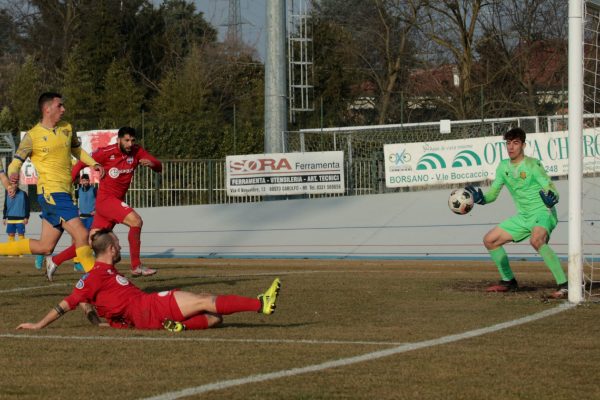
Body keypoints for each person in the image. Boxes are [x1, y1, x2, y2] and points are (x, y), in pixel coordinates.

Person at [16, 229, 281, 331]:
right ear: (110, 250)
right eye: (118, 245)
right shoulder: (95, 275)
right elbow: (69, 302)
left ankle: (177, 327)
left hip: (144, 315)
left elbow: (83, 300)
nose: (121, 249)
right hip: (147, 307)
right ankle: (261, 304)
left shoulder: (103, 275)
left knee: (214, 319)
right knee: (204, 299)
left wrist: (98, 321)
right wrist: (39, 324)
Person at [0, 92, 104, 279]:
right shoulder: (32, 136)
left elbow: (77, 150)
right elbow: (16, 162)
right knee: (82, 234)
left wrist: (93, 163)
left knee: (45, 246)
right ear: (47, 109)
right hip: (51, 193)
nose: (63, 109)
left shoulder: (67, 128)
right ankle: (98, 281)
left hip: (64, 193)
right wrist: (13, 173)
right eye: (59, 106)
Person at [466, 127, 567, 299]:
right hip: (523, 217)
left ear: (523, 145)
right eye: (508, 143)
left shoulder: (532, 165)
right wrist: (481, 198)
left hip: (543, 212)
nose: (511, 147)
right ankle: (509, 281)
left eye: (515, 143)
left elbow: (550, 188)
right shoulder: (503, 166)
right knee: (490, 240)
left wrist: (553, 198)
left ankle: (565, 285)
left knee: (535, 240)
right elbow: (493, 194)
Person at [55, 126, 162, 277]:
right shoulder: (106, 152)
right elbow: (80, 163)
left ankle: (54, 261)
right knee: (136, 221)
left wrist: (152, 164)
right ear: (118, 140)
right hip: (106, 201)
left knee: (92, 241)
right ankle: (136, 266)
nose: (130, 144)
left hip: (113, 203)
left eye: (132, 140)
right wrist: (67, 185)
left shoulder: (137, 151)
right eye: (126, 140)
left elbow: (159, 166)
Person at [42, 172, 97, 272]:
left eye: (86, 180)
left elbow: (98, 200)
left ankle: (92, 260)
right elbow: (73, 201)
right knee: (76, 239)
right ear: (81, 181)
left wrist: (96, 210)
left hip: (91, 218)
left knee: (91, 239)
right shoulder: (78, 190)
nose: (85, 182)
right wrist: (77, 209)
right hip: (81, 217)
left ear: (89, 181)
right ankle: (77, 262)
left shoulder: (94, 190)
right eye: (83, 180)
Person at [3, 187, 30, 253]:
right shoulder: (8, 192)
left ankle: (21, 252)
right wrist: (4, 217)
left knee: (21, 236)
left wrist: (26, 217)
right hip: (10, 219)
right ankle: (12, 251)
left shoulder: (23, 193)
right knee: (11, 235)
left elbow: (27, 206)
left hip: (20, 219)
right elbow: (5, 206)